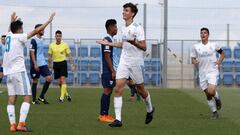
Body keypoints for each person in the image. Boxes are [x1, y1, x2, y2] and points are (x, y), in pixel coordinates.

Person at [97, 3, 154, 127]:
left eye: (126, 10)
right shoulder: (123, 28)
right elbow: (123, 45)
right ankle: (118, 120)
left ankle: (150, 108)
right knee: (118, 88)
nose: (123, 12)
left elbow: (144, 47)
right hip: (124, 61)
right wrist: (107, 43)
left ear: (132, 13)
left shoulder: (138, 28)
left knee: (141, 90)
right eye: (123, 10)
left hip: (136, 62)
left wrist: (134, 42)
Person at [3, 12, 55, 132]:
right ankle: (21, 124)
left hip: (9, 73)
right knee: (27, 97)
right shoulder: (19, 36)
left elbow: (10, 30)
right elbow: (36, 31)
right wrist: (48, 21)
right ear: (19, 29)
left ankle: (12, 125)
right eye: (22, 28)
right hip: (19, 71)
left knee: (12, 98)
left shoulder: (9, 36)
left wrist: (11, 21)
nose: (23, 30)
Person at [191, 27, 224, 119]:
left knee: (211, 91)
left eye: (205, 33)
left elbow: (222, 54)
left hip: (212, 71)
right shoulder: (196, 47)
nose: (203, 34)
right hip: (202, 73)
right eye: (201, 33)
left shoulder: (214, 45)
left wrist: (219, 61)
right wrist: (194, 61)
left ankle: (217, 98)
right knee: (208, 95)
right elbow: (193, 59)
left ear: (208, 35)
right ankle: (215, 112)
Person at [98, 19, 118, 123]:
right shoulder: (106, 40)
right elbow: (107, 56)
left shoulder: (111, 40)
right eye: (115, 26)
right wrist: (112, 71)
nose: (116, 28)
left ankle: (105, 114)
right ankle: (102, 115)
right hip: (107, 70)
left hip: (109, 70)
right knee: (107, 91)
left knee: (109, 91)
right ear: (110, 27)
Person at [48, 30, 76, 103]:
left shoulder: (65, 45)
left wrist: (72, 65)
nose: (58, 37)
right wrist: (50, 67)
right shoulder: (51, 45)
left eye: (60, 36)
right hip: (55, 64)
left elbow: (69, 55)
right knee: (59, 83)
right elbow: (50, 57)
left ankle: (61, 98)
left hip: (63, 63)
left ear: (61, 37)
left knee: (63, 80)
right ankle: (66, 94)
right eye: (57, 36)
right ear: (55, 37)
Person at [29, 24, 52, 105]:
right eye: (42, 29)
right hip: (36, 64)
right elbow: (32, 53)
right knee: (35, 81)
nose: (43, 30)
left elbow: (40, 52)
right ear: (38, 30)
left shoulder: (42, 39)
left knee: (49, 78)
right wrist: (35, 64)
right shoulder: (33, 40)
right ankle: (34, 100)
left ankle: (41, 96)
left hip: (43, 63)